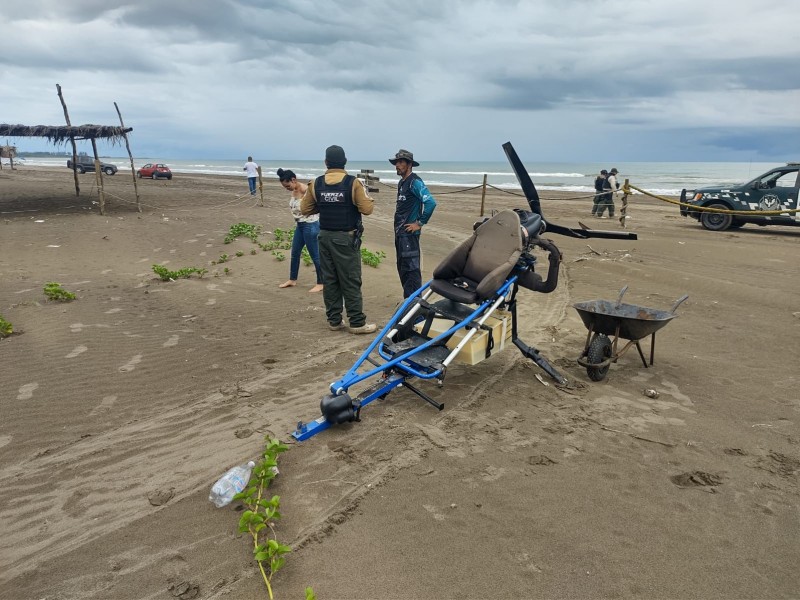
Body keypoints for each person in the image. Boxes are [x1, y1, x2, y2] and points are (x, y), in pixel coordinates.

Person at [300, 145, 376, 334]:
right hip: (345, 238)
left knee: (330, 279)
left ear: (326, 162)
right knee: (350, 280)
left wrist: (324, 206)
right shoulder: (353, 183)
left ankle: (334, 320)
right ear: (345, 161)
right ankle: (357, 323)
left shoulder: (315, 183)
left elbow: (305, 209)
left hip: (324, 236)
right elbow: (367, 209)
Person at [389, 149, 437, 298]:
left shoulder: (415, 182)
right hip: (400, 234)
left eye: (401, 162)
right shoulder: (402, 183)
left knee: (411, 272)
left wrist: (420, 223)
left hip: (409, 236)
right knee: (403, 270)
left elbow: (430, 202)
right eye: (396, 162)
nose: (397, 165)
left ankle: (416, 311)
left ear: (409, 164)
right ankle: (408, 304)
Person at [277, 168, 323, 293]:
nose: (287, 188)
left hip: (311, 225)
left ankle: (321, 282)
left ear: (293, 180)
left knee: (315, 255)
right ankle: (292, 279)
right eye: (284, 187)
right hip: (300, 226)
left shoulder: (305, 190)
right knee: (295, 252)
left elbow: (319, 204)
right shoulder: (294, 190)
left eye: (287, 186)